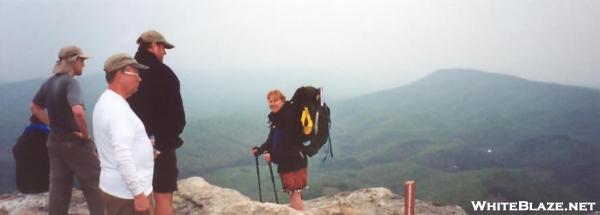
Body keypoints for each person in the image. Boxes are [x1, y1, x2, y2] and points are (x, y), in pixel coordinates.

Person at [30, 45, 104, 215]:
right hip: (75, 142)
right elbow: (77, 110)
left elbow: (34, 106)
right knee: (94, 185)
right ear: (75, 61)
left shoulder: (49, 82)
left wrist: (51, 124)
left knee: (59, 188)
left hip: (54, 141)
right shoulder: (72, 83)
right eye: (82, 60)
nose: (84, 64)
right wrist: (85, 135)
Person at [127, 30, 186, 215]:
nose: (165, 52)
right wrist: (164, 142)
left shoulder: (127, 71)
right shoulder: (164, 73)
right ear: (153, 46)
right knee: (162, 196)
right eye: (163, 47)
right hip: (161, 146)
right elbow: (178, 117)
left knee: (137, 196)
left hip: (132, 145)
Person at [93, 53, 155, 214]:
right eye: (136, 74)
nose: (140, 79)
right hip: (127, 195)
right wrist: (138, 194)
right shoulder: (117, 110)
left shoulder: (106, 101)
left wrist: (146, 151)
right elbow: (122, 155)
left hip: (115, 188)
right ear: (120, 74)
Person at [252, 89, 308, 211]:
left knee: (294, 193)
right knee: (294, 193)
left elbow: (290, 145)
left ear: (282, 100)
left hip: (295, 161)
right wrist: (260, 150)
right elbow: (271, 141)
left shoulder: (288, 118)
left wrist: (273, 157)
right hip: (291, 161)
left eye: (275, 100)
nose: (272, 103)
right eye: (270, 101)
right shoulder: (278, 119)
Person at [13, 115, 50, 194]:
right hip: (45, 185)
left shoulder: (22, 139)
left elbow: (15, 151)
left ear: (31, 122)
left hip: (24, 186)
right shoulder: (49, 137)